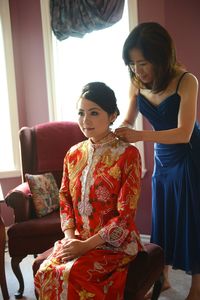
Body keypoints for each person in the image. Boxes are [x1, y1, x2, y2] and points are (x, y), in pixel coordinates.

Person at [114, 22, 200, 300]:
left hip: (189, 156)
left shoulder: (187, 80)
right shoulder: (136, 83)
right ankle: (161, 278)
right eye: (132, 64)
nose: (138, 70)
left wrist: (138, 134)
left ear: (162, 58)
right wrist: (119, 129)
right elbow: (128, 118)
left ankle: (197, 287)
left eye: (143, 63)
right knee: (162, 217)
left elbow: (184, 132)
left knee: (192, 221)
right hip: (163, 157)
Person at [34, 82, 143, 299]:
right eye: (81, 113)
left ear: (112, 115)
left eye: (94, 112)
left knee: (76, 275)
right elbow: (64, 197)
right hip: (77, 237)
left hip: (113, 243)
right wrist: (71, 238)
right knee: (46, 271)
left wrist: (85, 246)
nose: (85, 120)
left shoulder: (127, 154)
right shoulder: (73, 154)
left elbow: (125, 215)